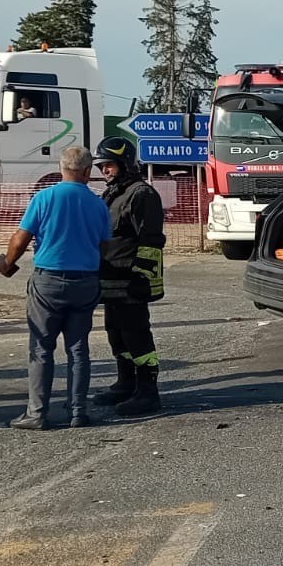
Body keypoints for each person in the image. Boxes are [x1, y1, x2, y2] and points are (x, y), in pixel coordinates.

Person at [0, 145, 110, 430]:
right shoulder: (98, 204)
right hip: (85, 280)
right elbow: (105, 246)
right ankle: (77, 411)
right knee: (79, 348)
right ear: (86, 171)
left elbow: (21, 238)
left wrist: (7, 263)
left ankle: (37, 414)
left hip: (48, 281)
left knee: (42, 348)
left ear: (61, 169)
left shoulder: (44, 198)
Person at [91, 137, 166, 417]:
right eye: (101, 166)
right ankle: (126, 383)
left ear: (124, 163)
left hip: (131, 281)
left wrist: (141, 277)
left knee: (136, 335)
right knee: (116, 334)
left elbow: (151, 240)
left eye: (109, 165)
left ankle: (148, 392)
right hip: (111, 280)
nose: (104, 171)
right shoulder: (111, 193)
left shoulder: (141, 194)